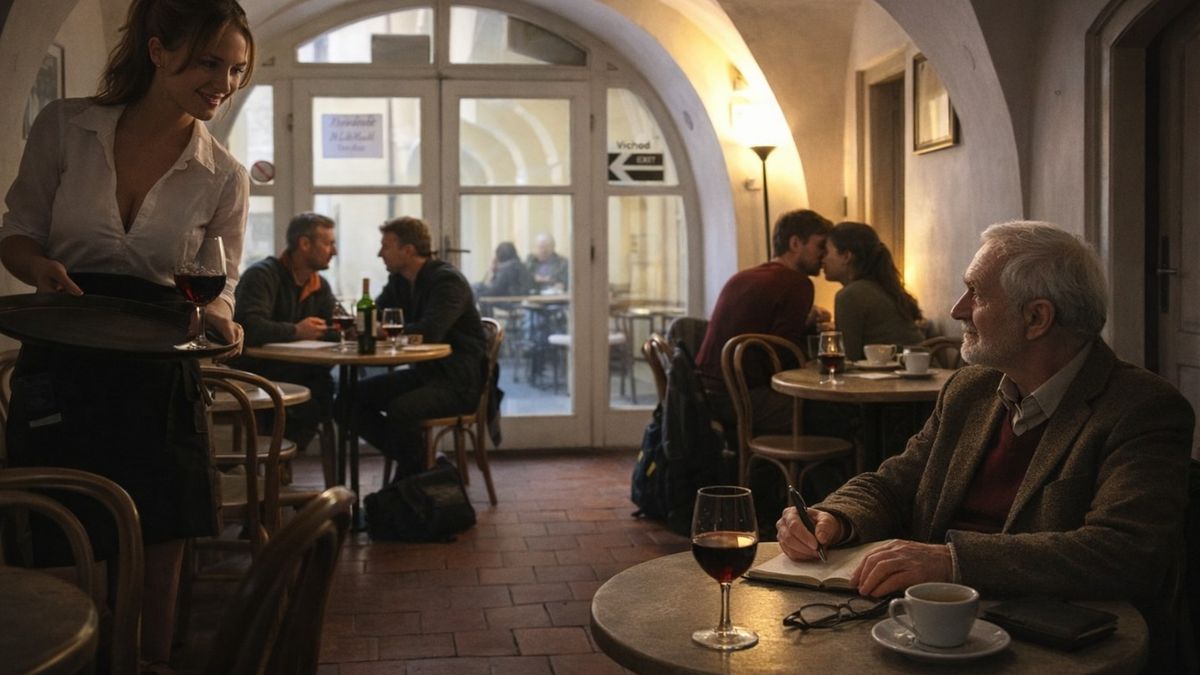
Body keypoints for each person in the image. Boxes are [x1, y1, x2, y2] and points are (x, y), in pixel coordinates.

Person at [776, 221, 1194, 669]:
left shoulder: (1142, 408)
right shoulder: (970, 389)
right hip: (929, 627)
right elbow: (894, 483)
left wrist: (952, 561)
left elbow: (1126, 552)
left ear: (1036, 318)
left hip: (1051, 648)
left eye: (975, 293)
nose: (957, 309)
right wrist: (835, 517)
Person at [0, 0, 254, 667]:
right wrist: (38, 267)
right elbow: (17, 232)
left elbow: (222, 281)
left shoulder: (224, 173)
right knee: (59, 539)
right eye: (209, 63)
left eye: (236, 70)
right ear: (157, 51)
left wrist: (222, 317)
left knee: (159, 541)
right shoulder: (66, 126)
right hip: (63, 356)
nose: (224, 84)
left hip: (159, 370)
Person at [355, 217, 488, 480]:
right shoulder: (399, 281)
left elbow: (430, 332)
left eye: (386, 246)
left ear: (408, 250)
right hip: (427, 374)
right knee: (349, 399)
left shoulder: (447, 281)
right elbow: (374, 316)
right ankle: (425, 462)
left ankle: (411, 480)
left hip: (459, 381)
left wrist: (380, 330)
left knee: (402, 410)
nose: (380, 253)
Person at [694, 209, 832, 433]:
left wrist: (803, 324)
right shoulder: (797, 283)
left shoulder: (743, 277)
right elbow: (784, 355)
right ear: (795, 243)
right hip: (743, 400)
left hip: (704, 395)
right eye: (820, 246)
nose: (824, 255)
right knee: (836, 413)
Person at [231, 212, 338, 453]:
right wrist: (296, 331)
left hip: (300, 369)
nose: (334, 251)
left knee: (325, 386)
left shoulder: (320, 285)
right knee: (319, 385)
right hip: (257, 369)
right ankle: (279, 458)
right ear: (304, 244)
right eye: (329, 243)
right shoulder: (262, 275)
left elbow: (334, 329)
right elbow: (249, 326)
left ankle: (283, 457)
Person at [822, 221, 925, 361]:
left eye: (826, 252)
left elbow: (848, 358)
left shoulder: (849, 296)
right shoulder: (883, 286)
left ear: (846, 256)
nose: (822, 259)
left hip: (898, 372)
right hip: (920, 366)